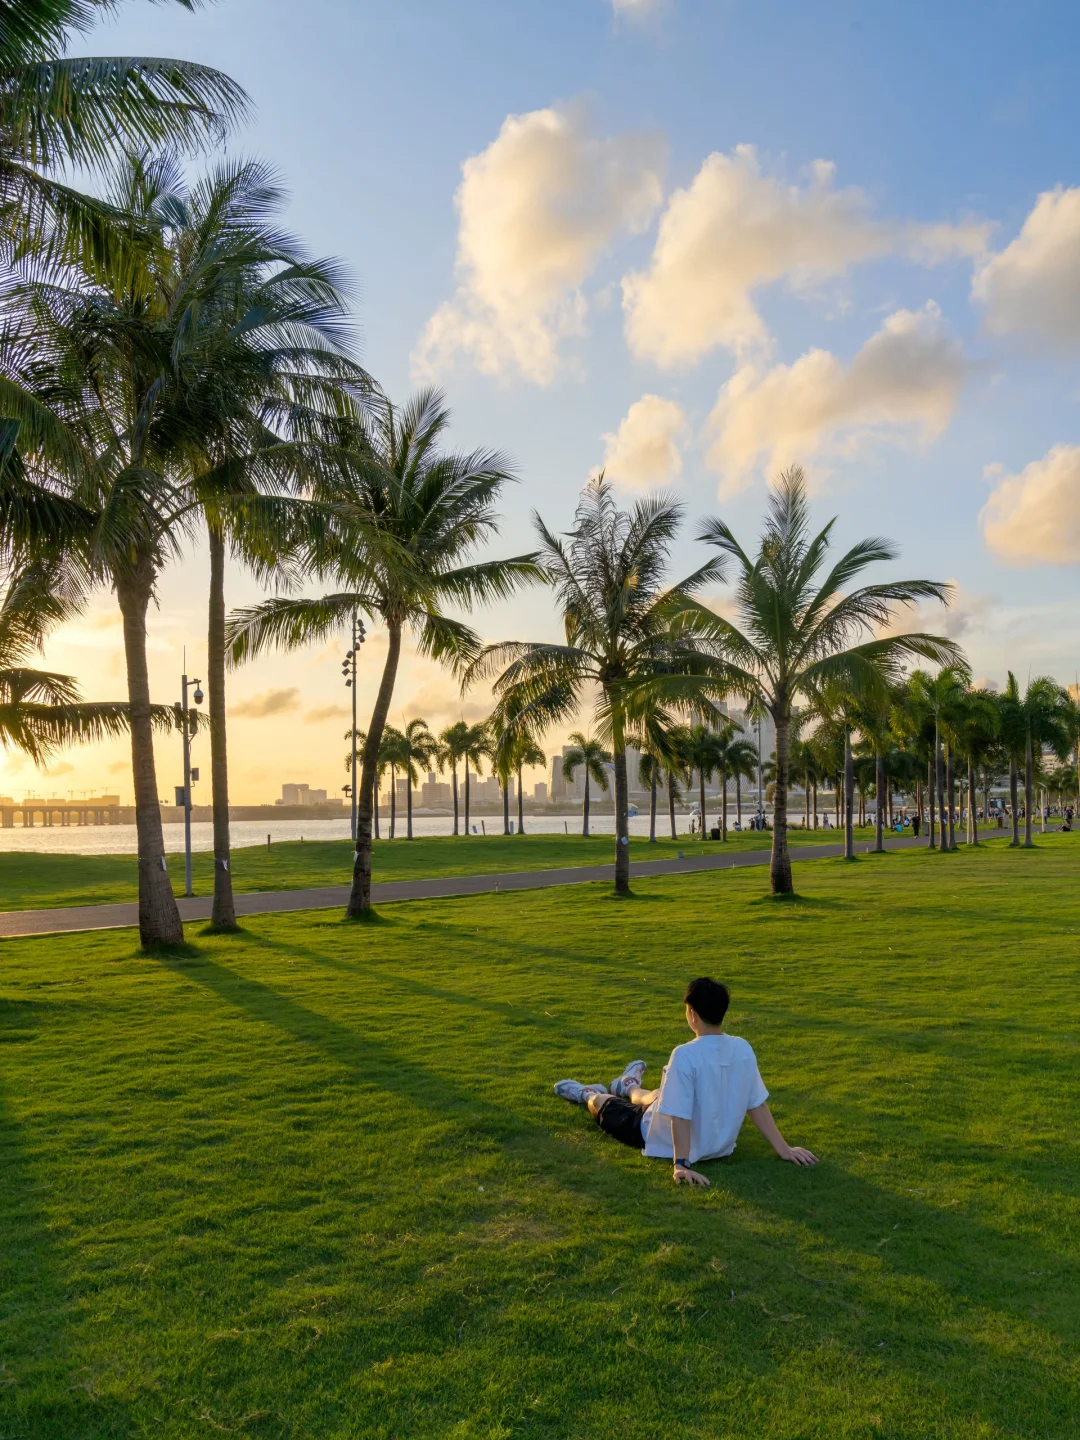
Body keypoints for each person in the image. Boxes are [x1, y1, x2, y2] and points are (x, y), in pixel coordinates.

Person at [553, 977, 818, 1185]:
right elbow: (756, 1104)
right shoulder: (743, 1047)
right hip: (719, 1146)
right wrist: (783, 1149)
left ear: (691, 1013)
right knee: (658, 1094)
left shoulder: (685, 1054)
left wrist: (681, 1163)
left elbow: (680, 1116)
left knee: (603, 1103)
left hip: (652, 1132)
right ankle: (629, 1084)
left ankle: (586, 1093)